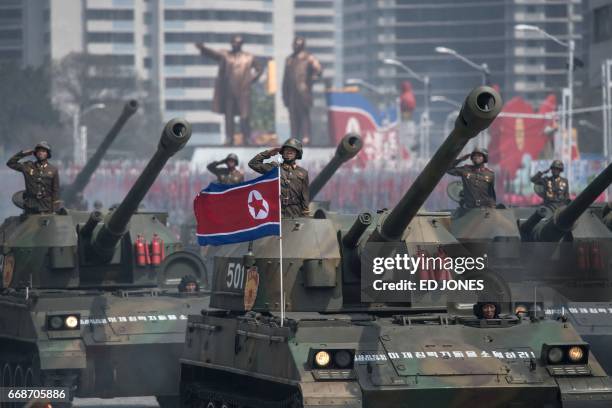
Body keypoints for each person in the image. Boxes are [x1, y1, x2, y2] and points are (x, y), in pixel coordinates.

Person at [195, 35, 264, 145]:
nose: (235, 44)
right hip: (229, 91)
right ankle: (229, 138)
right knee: (229, 116)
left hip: (243, 91)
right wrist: (203, 48)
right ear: (231, 43)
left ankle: (246, 138)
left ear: (242, 44)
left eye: (238, 42)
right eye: (233, 42)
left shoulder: (249, 57)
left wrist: (251, 79)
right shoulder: (225, 55)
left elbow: (259, 69)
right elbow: (214, 54)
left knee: (245, 116)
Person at [249, 138, 309, 217]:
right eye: (286, 150)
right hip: (276, 210)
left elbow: (304, 196)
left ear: (297, 154)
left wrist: (305, 212)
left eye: (292, 150)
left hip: (294, 212)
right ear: (282, 153)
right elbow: (253, 164)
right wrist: (268, 153)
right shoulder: (274, 168)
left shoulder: (302, 173)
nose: (289, 152)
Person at [282, 36, 322, 145]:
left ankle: (306, 137)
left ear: (303, 46)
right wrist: (284, 95)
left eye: (298, 44)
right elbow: (285, 79)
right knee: (293, 116)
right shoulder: (289, 59)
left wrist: (312, 78)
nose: (295, 46)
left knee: (304, 114)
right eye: (294, 44)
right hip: (291, 93)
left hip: (304, 91)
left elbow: (318, 70)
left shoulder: (309, 58)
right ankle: (294, 138)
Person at [7, 141, 60, 214]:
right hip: (30, 206)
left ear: (47, 154)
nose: (40, 153)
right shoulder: (28, 166)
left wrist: (55, 209)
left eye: (43, 151)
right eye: (38, 151)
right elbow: (10, 163)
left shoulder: (53, 170)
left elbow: (55, 191)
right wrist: (23, 154)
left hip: (46, 208)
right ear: (36, 153)